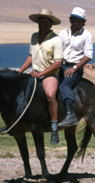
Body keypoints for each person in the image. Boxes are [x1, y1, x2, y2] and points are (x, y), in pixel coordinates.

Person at [18, 8, 63, 144]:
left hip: (49, 74)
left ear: (50, 24)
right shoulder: (33, 36)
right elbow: (31, 56)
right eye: (41, 22)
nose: (43, 25)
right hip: (34, 73)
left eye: (46, 22)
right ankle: (15, 122)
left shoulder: (56, 39)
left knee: (50, 95)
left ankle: (54, 128)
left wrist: (40, 74)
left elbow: (58, 63)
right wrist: (19, 72)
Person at [58, 7, 93, 127]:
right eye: (74, 19)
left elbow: (88, 55)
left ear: (84, 22)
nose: (76, 22)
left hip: (74, 68)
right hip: (60, 65)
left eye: (79, 20)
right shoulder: (62, 33)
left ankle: (70, 115)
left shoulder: (87, 35)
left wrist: (74, 68)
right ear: (70, 19)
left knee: (65, 84)